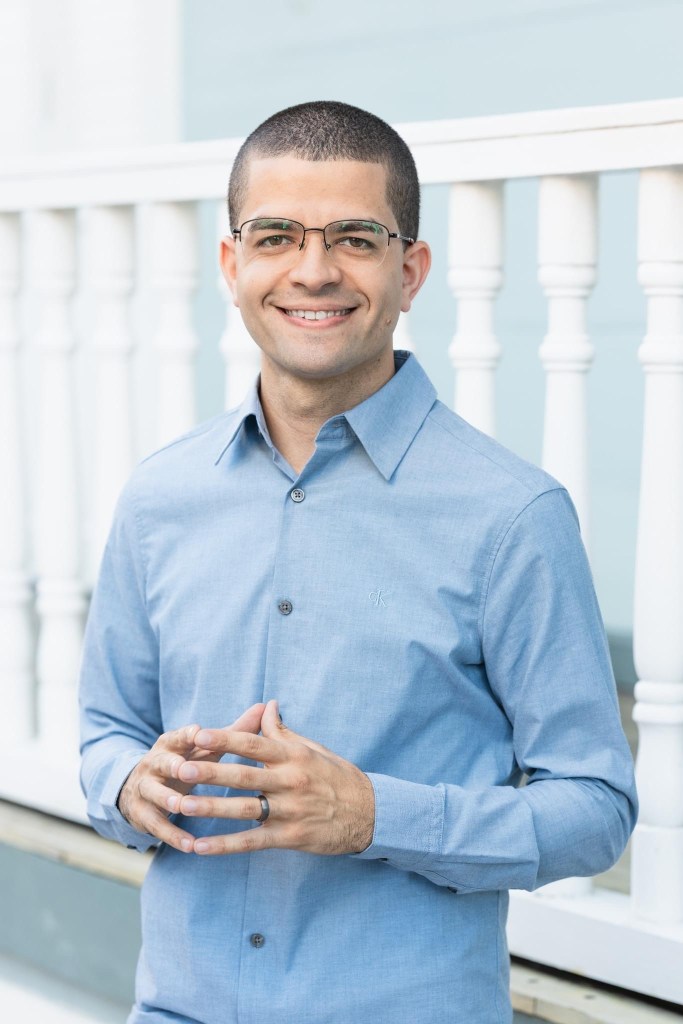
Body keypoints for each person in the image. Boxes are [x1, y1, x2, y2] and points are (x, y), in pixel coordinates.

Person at [79, 100, 637, 1024]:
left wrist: (376, 815)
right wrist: (129, 783)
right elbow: (106, 733)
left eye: (354, 237)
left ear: (408, 270)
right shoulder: (159, 499)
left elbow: (594, 806)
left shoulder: (511, 516)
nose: (312, 269)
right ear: (232, 264)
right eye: (275, 236)